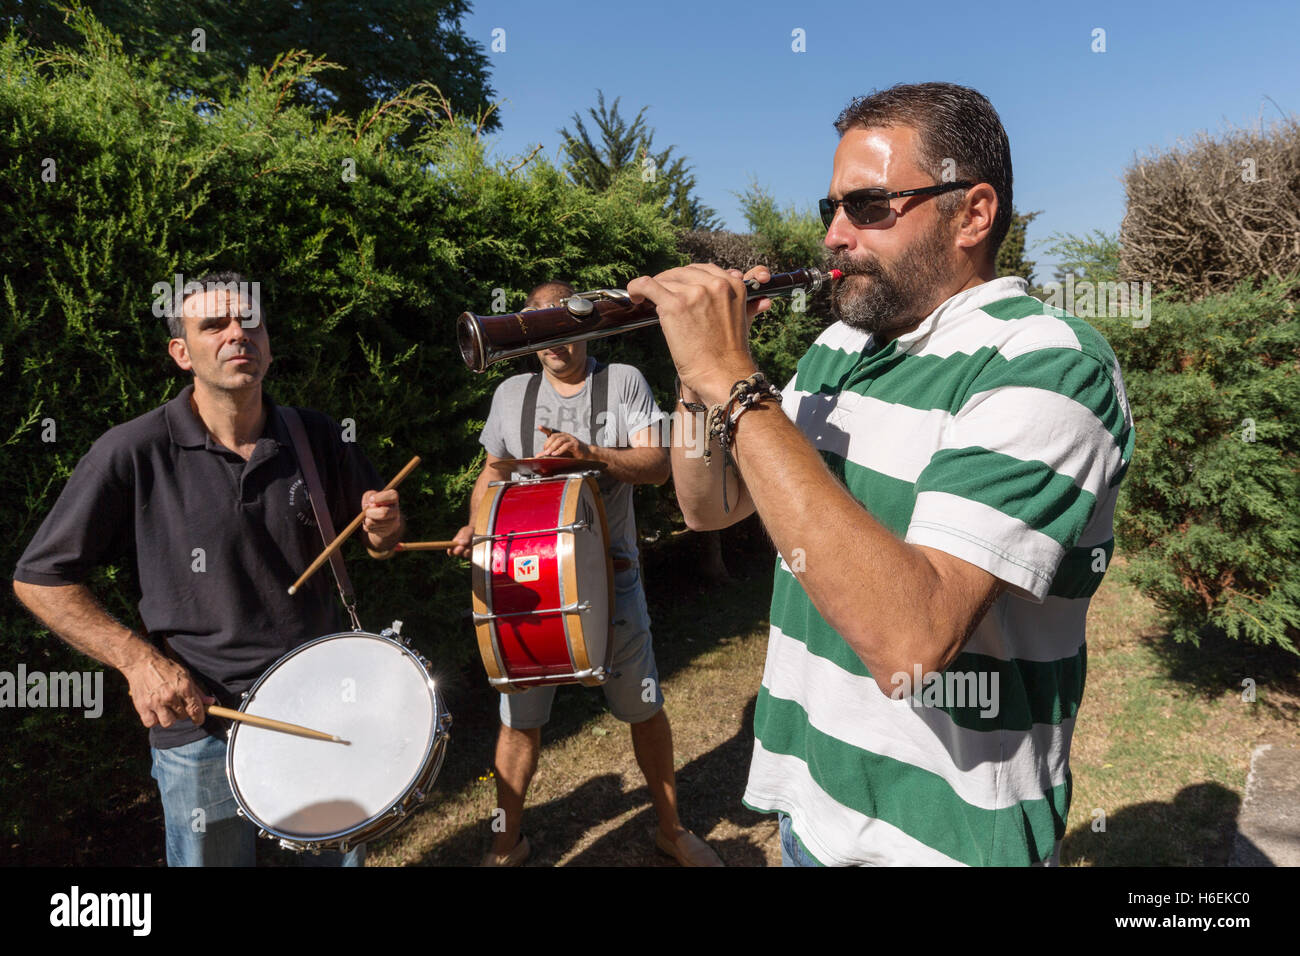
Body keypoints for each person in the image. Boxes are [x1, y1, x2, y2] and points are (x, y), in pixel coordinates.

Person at [630, 82, 1135, 866]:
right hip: (813, 815)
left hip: (949, 838)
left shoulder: (1047, 363)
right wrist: (698, 383)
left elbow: (910, 644)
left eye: (868, 207)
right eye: (829, 208)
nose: (835, 236)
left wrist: (733, 378)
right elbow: (710, 506)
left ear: (972, 213)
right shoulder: (840, 351)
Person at [12, 271, 403, 866]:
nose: (236, 334)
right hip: (204, 726)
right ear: (181, 353)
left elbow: (380, 545)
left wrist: (384, 529)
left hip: (323, 705)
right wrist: (137, 661)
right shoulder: (132, 451)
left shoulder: (317, 435)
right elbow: (40, 577)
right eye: (213, 325)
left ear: (268, 342)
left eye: (249, 322)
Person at [449, 280, 723, 867]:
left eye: (562, 326)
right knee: (518, 722)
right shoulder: (510, 394)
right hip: (525, 581)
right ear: (526, 333)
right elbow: (493, 472)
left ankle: (670, 830)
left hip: (611, 576)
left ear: (583, 325)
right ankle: (507, 843)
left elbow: (656, 464)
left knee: (644, 708)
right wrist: (477, 527)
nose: (553, 341)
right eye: (537, 328)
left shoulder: (620, 380)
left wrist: (594, 455)